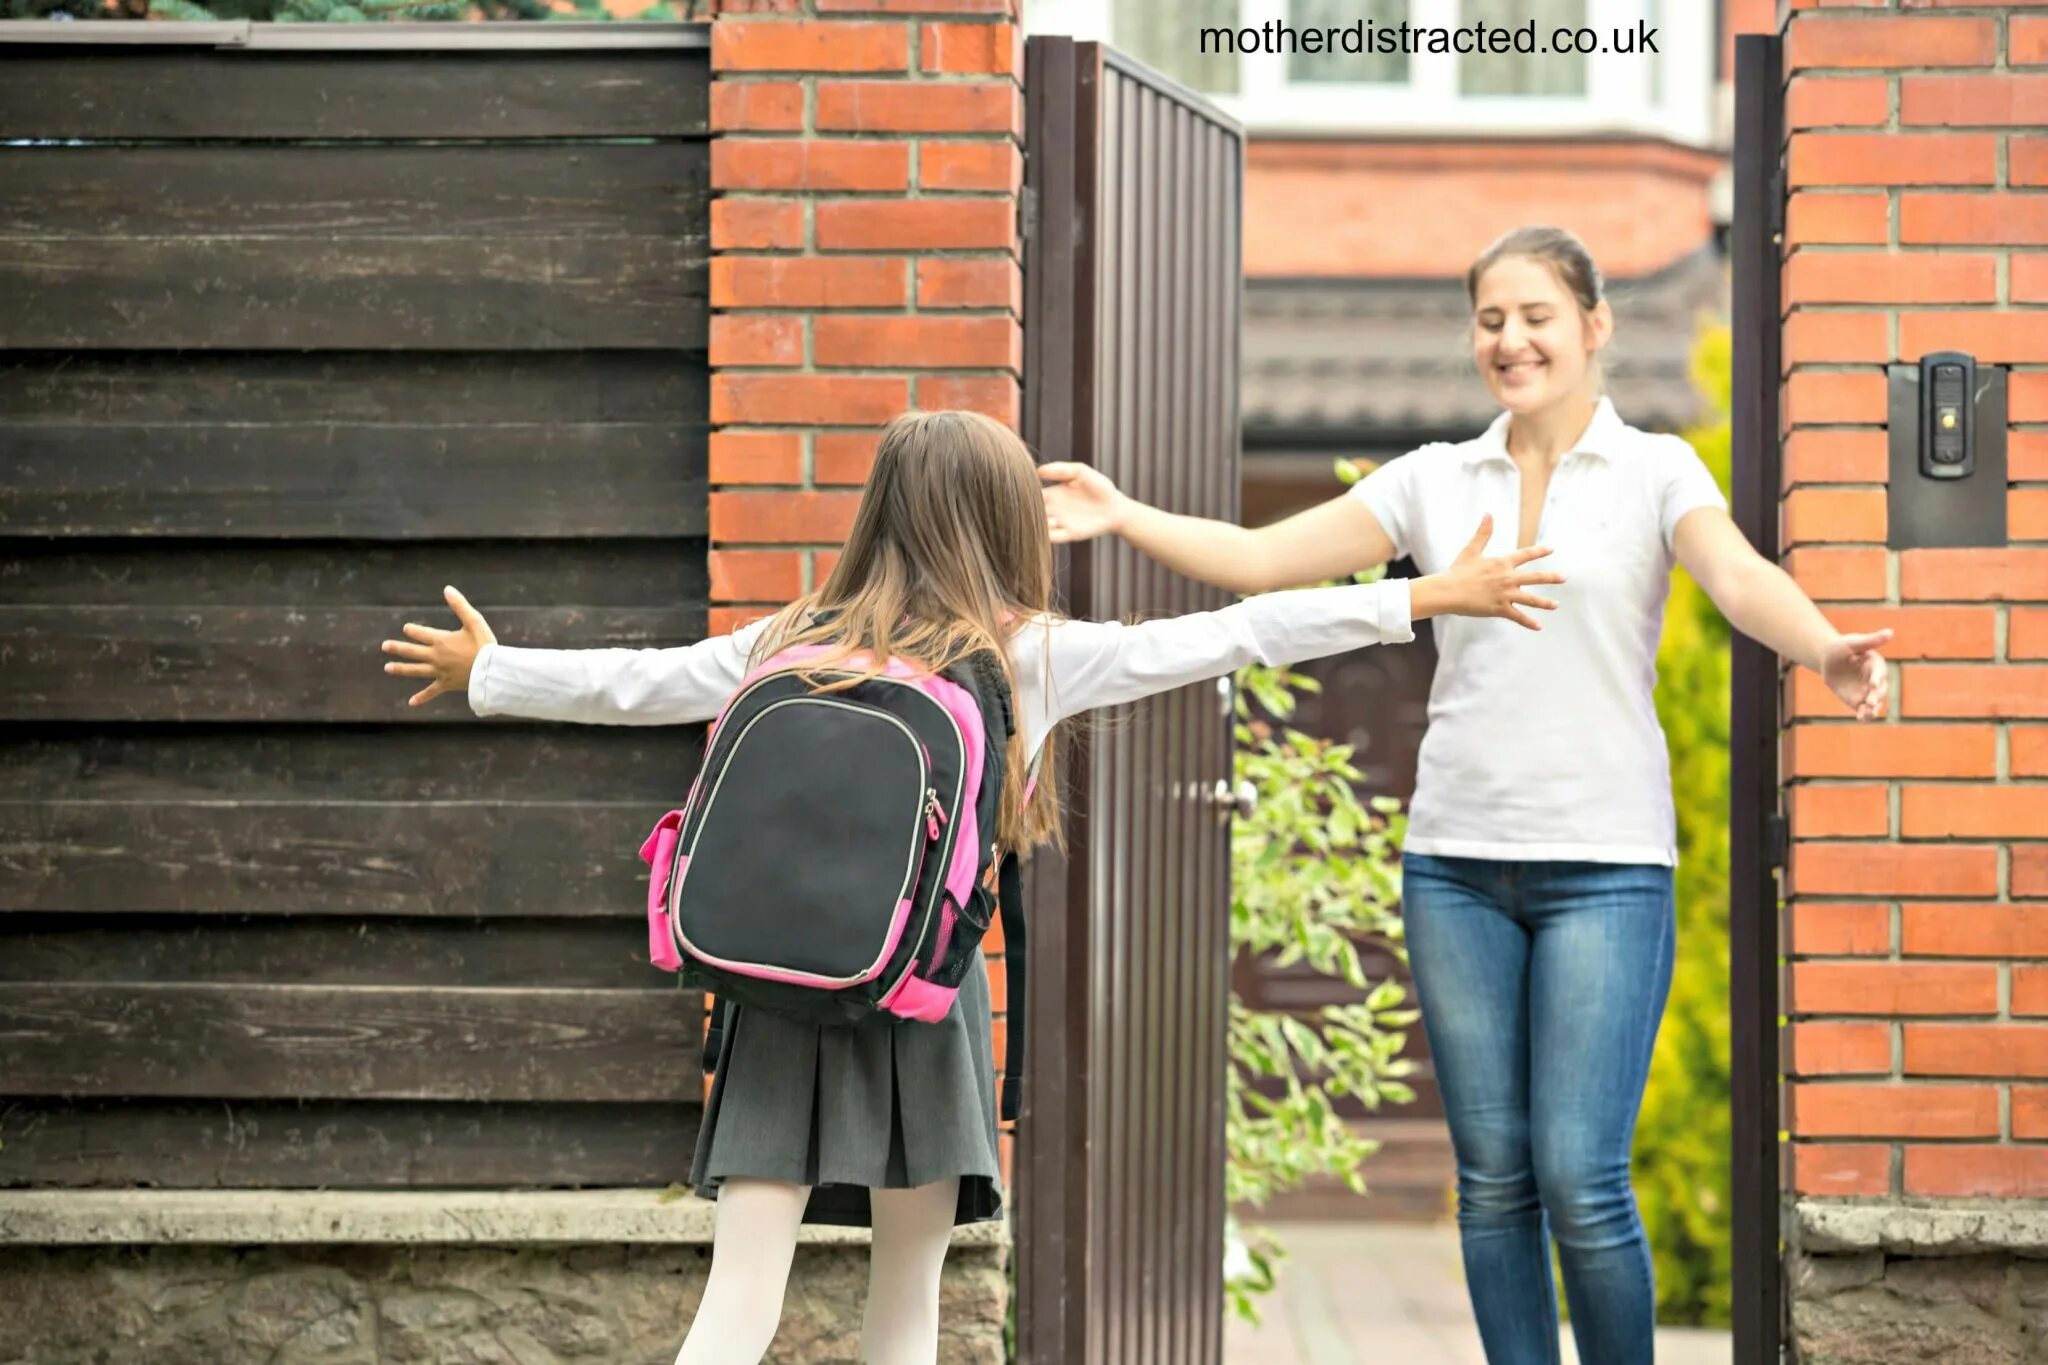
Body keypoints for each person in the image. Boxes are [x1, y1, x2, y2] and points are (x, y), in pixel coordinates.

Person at [377, 407, 1563, 1365]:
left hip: (771, 995)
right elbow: (1236, 634)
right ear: (1005, 520)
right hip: (923, 1000)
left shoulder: (785, 638)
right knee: (907, 1304)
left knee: (736, 1301)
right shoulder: (1032, 652)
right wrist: (1419, 597)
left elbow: (634, 682)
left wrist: (492, 671)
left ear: (877, 511)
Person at [1037, 226, 1891, 1365]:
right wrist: (1123, 513)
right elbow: (1260, 559)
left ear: (1592, 326)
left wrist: (1823, 649)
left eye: (1535, 315)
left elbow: (1736, 577)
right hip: (1454, 868)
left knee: (1580, 1176)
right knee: (1491, 1180)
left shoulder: (1653, 471)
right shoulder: (1435, 477)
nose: (1511, 339)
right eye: (1491, 319)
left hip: (1603, 866)